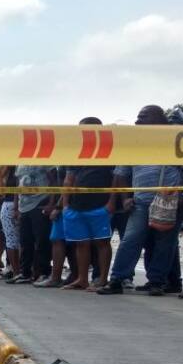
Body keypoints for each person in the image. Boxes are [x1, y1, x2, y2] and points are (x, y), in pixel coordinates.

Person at [100, 106, 182, 295]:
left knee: (165, 244)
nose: (137, 121)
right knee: (131, 240)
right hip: (140, 202)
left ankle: (157, 282)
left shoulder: (175, 141)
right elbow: (121, 174)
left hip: (169, 202)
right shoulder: (133, 144)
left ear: (159, 120)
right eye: (137, 117)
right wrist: (125, 199)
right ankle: (117, 279)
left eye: (143, 117)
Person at [60, 118, 114, 291]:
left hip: (100, 205)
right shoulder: (76, 152)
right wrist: (65, 205)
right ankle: (82, 279)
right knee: (81, 243)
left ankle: (102, 279)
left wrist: (111, 202)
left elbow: (117, 178)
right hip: (76, 206)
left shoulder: (109, 150)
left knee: (102, 243)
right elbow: (68, 179)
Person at [10, 164, 56, 284]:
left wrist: (51, 204)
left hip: (40, 203)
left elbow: (54, 181)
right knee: (25, 241)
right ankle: (25, 273)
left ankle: (44, 273)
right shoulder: (19, 163)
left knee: (42, 241)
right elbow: (17, 185)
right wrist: (16, 207)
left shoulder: (46, 161)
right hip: (23, 206)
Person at [0, 165, 21, 281]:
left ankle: (21, 271)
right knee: (12, 241)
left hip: (20, 205)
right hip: (10, 205)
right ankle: (16, 272)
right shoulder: (5, 169)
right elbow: (2, 191)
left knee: (21, 241)